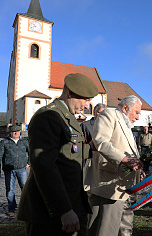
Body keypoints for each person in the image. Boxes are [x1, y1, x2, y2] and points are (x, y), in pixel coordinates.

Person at [17, 73, 98, 235]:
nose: (88, 106)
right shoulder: (48, 116)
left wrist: (93, 149)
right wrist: (63, 210)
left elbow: (69, 152)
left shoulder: (67, 117)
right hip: (50, 212)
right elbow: (44, 165)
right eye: (86, 100)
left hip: (72, 203)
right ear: (70, 94)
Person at [84, 95, 145, 236]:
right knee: (105, 230)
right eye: (136, 112)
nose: (138, 117)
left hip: (124, 187)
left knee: (125, 230)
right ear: (125, 107)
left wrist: (137, 167)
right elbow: (101, 142)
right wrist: (125, 160)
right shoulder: (109, 114)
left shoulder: (127, 125)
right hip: (108, 186)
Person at [0, 125, 29, 217]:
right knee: (10, 190)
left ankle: (27, 207)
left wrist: (29, 163)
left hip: (22, 169)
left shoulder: (24, 141)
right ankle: (11, 208)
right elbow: (0, 156)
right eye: (13, 132)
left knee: (25, 188)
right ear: (10, 132)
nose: (16, 133)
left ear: (20, 132)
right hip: (9, 169)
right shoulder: (4, 142)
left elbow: (31, 152)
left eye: (17, 131)